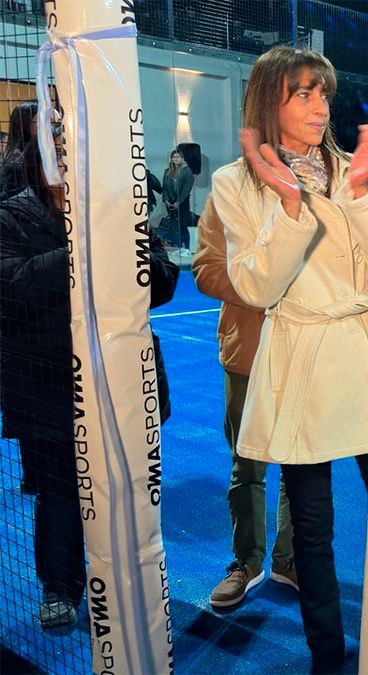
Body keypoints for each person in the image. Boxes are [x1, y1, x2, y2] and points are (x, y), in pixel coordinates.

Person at [208, 45, 368, 672]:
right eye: (302, 93)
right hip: (301, 358)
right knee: (311, 526)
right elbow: (255, 287)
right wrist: (287, 207)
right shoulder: (234, 183)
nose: (319, 106)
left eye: (323, 93)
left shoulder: (358, 169)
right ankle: (326, 655)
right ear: (269, 101)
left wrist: (361, 195)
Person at [0, 101, 178, 629]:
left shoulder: (118, 209)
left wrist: (127, 253)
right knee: (58, 493)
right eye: (58, 153)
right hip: (47, 383)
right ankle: (60, 588)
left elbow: (163, 280)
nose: (68, 162)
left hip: (121, 379)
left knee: (126, 488)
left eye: (74, 154)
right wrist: (83, 253)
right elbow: (12, 287)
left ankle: (127, 581)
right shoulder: (11, 215)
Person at [193, 198, 298, 609]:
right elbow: (207, 270)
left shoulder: (316, 189)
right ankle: (247, 562)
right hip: (246, 354)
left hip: (303, 353)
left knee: (300, 465)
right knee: (246, 465)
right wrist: (264, 282)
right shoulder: (228, 194)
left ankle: (290, 559)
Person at [161, 148, 194, 251]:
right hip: (170, 203)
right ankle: (178, 247)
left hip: (182, 203)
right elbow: (164, 187)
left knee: (182, 226)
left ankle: (186, 248)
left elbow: (186, 189)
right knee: (174, 226)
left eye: (178, 157)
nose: (176, 158)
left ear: (182, 158)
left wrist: (178, 202)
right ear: (171, 159)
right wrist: (166, 200)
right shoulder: (167, 171)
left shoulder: (187, 171)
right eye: (174, 157)